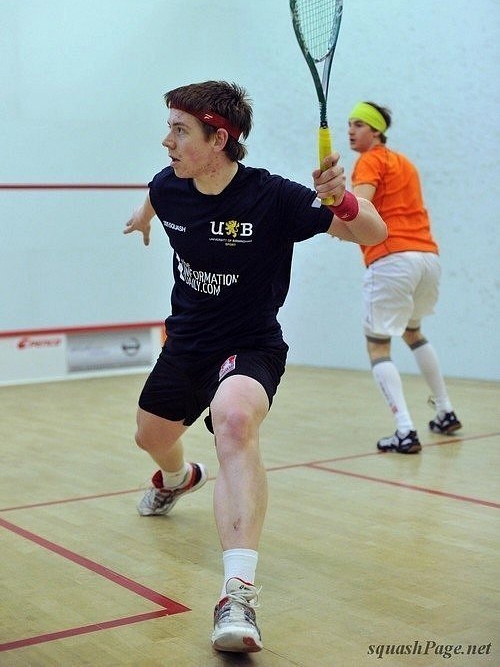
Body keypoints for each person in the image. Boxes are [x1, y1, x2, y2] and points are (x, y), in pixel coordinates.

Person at [123, 80, 387, 654]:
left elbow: (372, 231)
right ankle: (178, 479)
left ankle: (237, 594)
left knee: (235, 419)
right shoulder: (169, 185)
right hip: (186, 345)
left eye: (179, 130)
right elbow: (156, 195)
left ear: (219, 139)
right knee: (150, 436)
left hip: (251, 343)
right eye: (169, 127)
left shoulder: (273, 198)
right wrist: (142, 217)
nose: (167, 140)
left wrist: (342, 200)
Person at [348, 101, 462, 455]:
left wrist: (329, 205)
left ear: (376, 131)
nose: (351, 130)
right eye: (349, 124)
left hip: (392, 259)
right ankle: (445, 411)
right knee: (413, 332)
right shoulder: (405, 163)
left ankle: (405, 430)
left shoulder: (369, 160)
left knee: (378, 345)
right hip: (427, 258)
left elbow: (359, 208)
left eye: (359, 124)